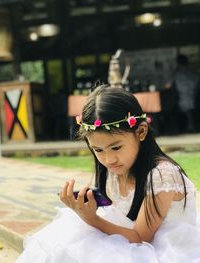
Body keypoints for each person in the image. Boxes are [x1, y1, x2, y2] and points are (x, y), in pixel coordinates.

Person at [16, 85, 200, 263]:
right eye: (98, 150)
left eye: (116, 147)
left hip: (162, 249)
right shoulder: (115, 170)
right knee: (64, 241)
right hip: (127, 239)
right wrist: (86, 209)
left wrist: (92, 219)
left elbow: (140, 238)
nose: (109, 159)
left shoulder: (162, 174)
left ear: (141, 131)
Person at [166, 54, 200, 133]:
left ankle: (188, 127)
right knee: (190, 111)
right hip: (194, 96)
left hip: (182, 97)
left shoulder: (176, 73)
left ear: (178, 63)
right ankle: (191, 126)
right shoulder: (193, 72)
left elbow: (167, 85)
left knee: (181, 110)